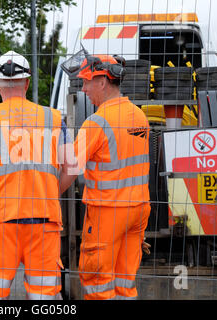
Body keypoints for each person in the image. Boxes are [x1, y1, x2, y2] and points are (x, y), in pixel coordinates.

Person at [0, 50, 76, 300]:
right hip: (44, 223)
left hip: (1, 223)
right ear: (27, 83)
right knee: (44, 297)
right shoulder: (53, 118)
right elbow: (72, 167)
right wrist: (48, 192)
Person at [63, 52, 151, 300]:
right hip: (138, 209)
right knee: (125, 281)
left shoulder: (96, 123)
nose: (84, 89)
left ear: (102, 81)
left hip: (108, 211)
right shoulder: (139, 116)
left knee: (97, 280)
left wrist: (48, 197)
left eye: (86, 81)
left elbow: (71, 169)